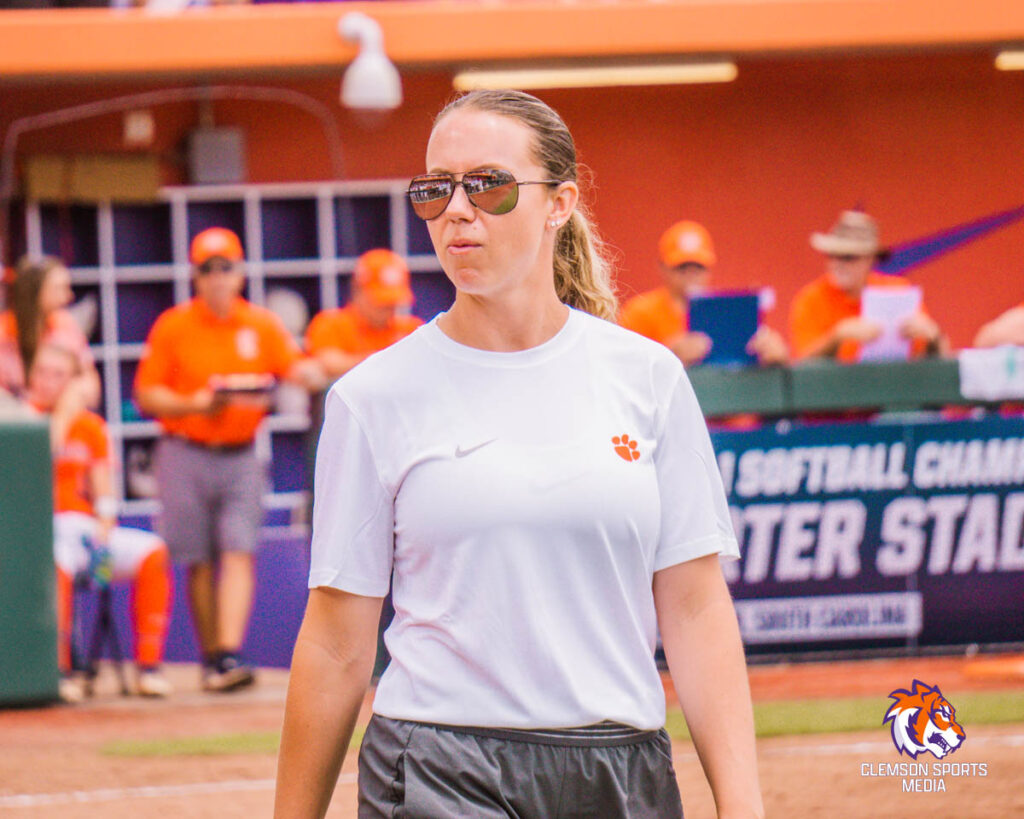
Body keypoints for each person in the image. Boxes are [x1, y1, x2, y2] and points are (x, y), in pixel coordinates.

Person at [275, 90, 763, 818]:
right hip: (438, 765)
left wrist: (743, 806)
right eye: (436, 189)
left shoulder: (647, 377)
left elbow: (694, 610)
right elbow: (337, 645)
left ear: (559, 204)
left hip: (618, 767)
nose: (457, 210)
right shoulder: (373, 396)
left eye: (489, 184)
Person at [134, 227, 324, 693]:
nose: (217, 278)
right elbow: (146, 394)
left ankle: (228, 652)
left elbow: (293, 369)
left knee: (240, 548)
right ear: (196, 277)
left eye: (225, 268)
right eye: (208, 269)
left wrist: (319, 371)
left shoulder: (259, 324)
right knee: (198, 559)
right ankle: (211, 656)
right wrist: (198, 403)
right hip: (186, 450)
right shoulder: (174, 326)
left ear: (239, 273)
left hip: (242, 452)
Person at [27, 342, 173, 702]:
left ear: (73, 381)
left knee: (154, 552)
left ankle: (149, 668)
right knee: (57, 563)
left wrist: (104, 533)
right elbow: (34, 469)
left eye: (59, 375)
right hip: (39, 530)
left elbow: (103, 492)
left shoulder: (91, 426)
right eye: (42, 373)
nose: (49, 382)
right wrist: (61, 414)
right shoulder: (21, 418)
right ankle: (60, 672)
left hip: (83, 528)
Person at [619, 220, 787, 366]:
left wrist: (775, 355)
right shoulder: (639, 312)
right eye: (682, 267)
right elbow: (623, 368)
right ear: (662, 268)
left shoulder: (729, 310)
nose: (691, 274)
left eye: (698, 267)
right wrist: (669, 354)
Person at [789, 209, 949, 361]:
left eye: (848, 257)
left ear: (870, 259)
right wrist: (837, 337)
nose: (837, 264)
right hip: (835, 388)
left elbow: (942, 356)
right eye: (832, 255)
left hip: (894, 384)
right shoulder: (810, 299)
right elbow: (803, 365)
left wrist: (932, 336)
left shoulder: (898, 291)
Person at [305, 248, 423, 381]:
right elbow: (328, 364)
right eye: (380, 301)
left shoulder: (411, 328)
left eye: (392, 302)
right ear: (358, 290)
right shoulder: (330, 323)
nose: (388, 308)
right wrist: (389, 360)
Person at [0, 256, 101, 406]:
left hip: (58, 411)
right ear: (34, 291)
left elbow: (91, 384)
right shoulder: (4, 331)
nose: (69, 296)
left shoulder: (66, 326)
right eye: (60, 288)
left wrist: (75, 394)